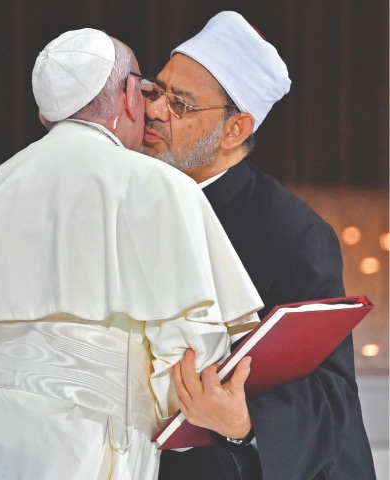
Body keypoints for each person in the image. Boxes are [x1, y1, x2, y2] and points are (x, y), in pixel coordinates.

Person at [0, 28, 264, 480]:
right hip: (72, 442)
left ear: (45, 112)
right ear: (128, 96)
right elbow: (192, 360)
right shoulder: (159, 186)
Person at [140, 11, 376, 480]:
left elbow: (331, 399)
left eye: (181, 105)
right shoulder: (125, 197)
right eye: (155, 90)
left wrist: (242, 422)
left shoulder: (294, 236)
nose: (153, 110)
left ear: (235, 130)